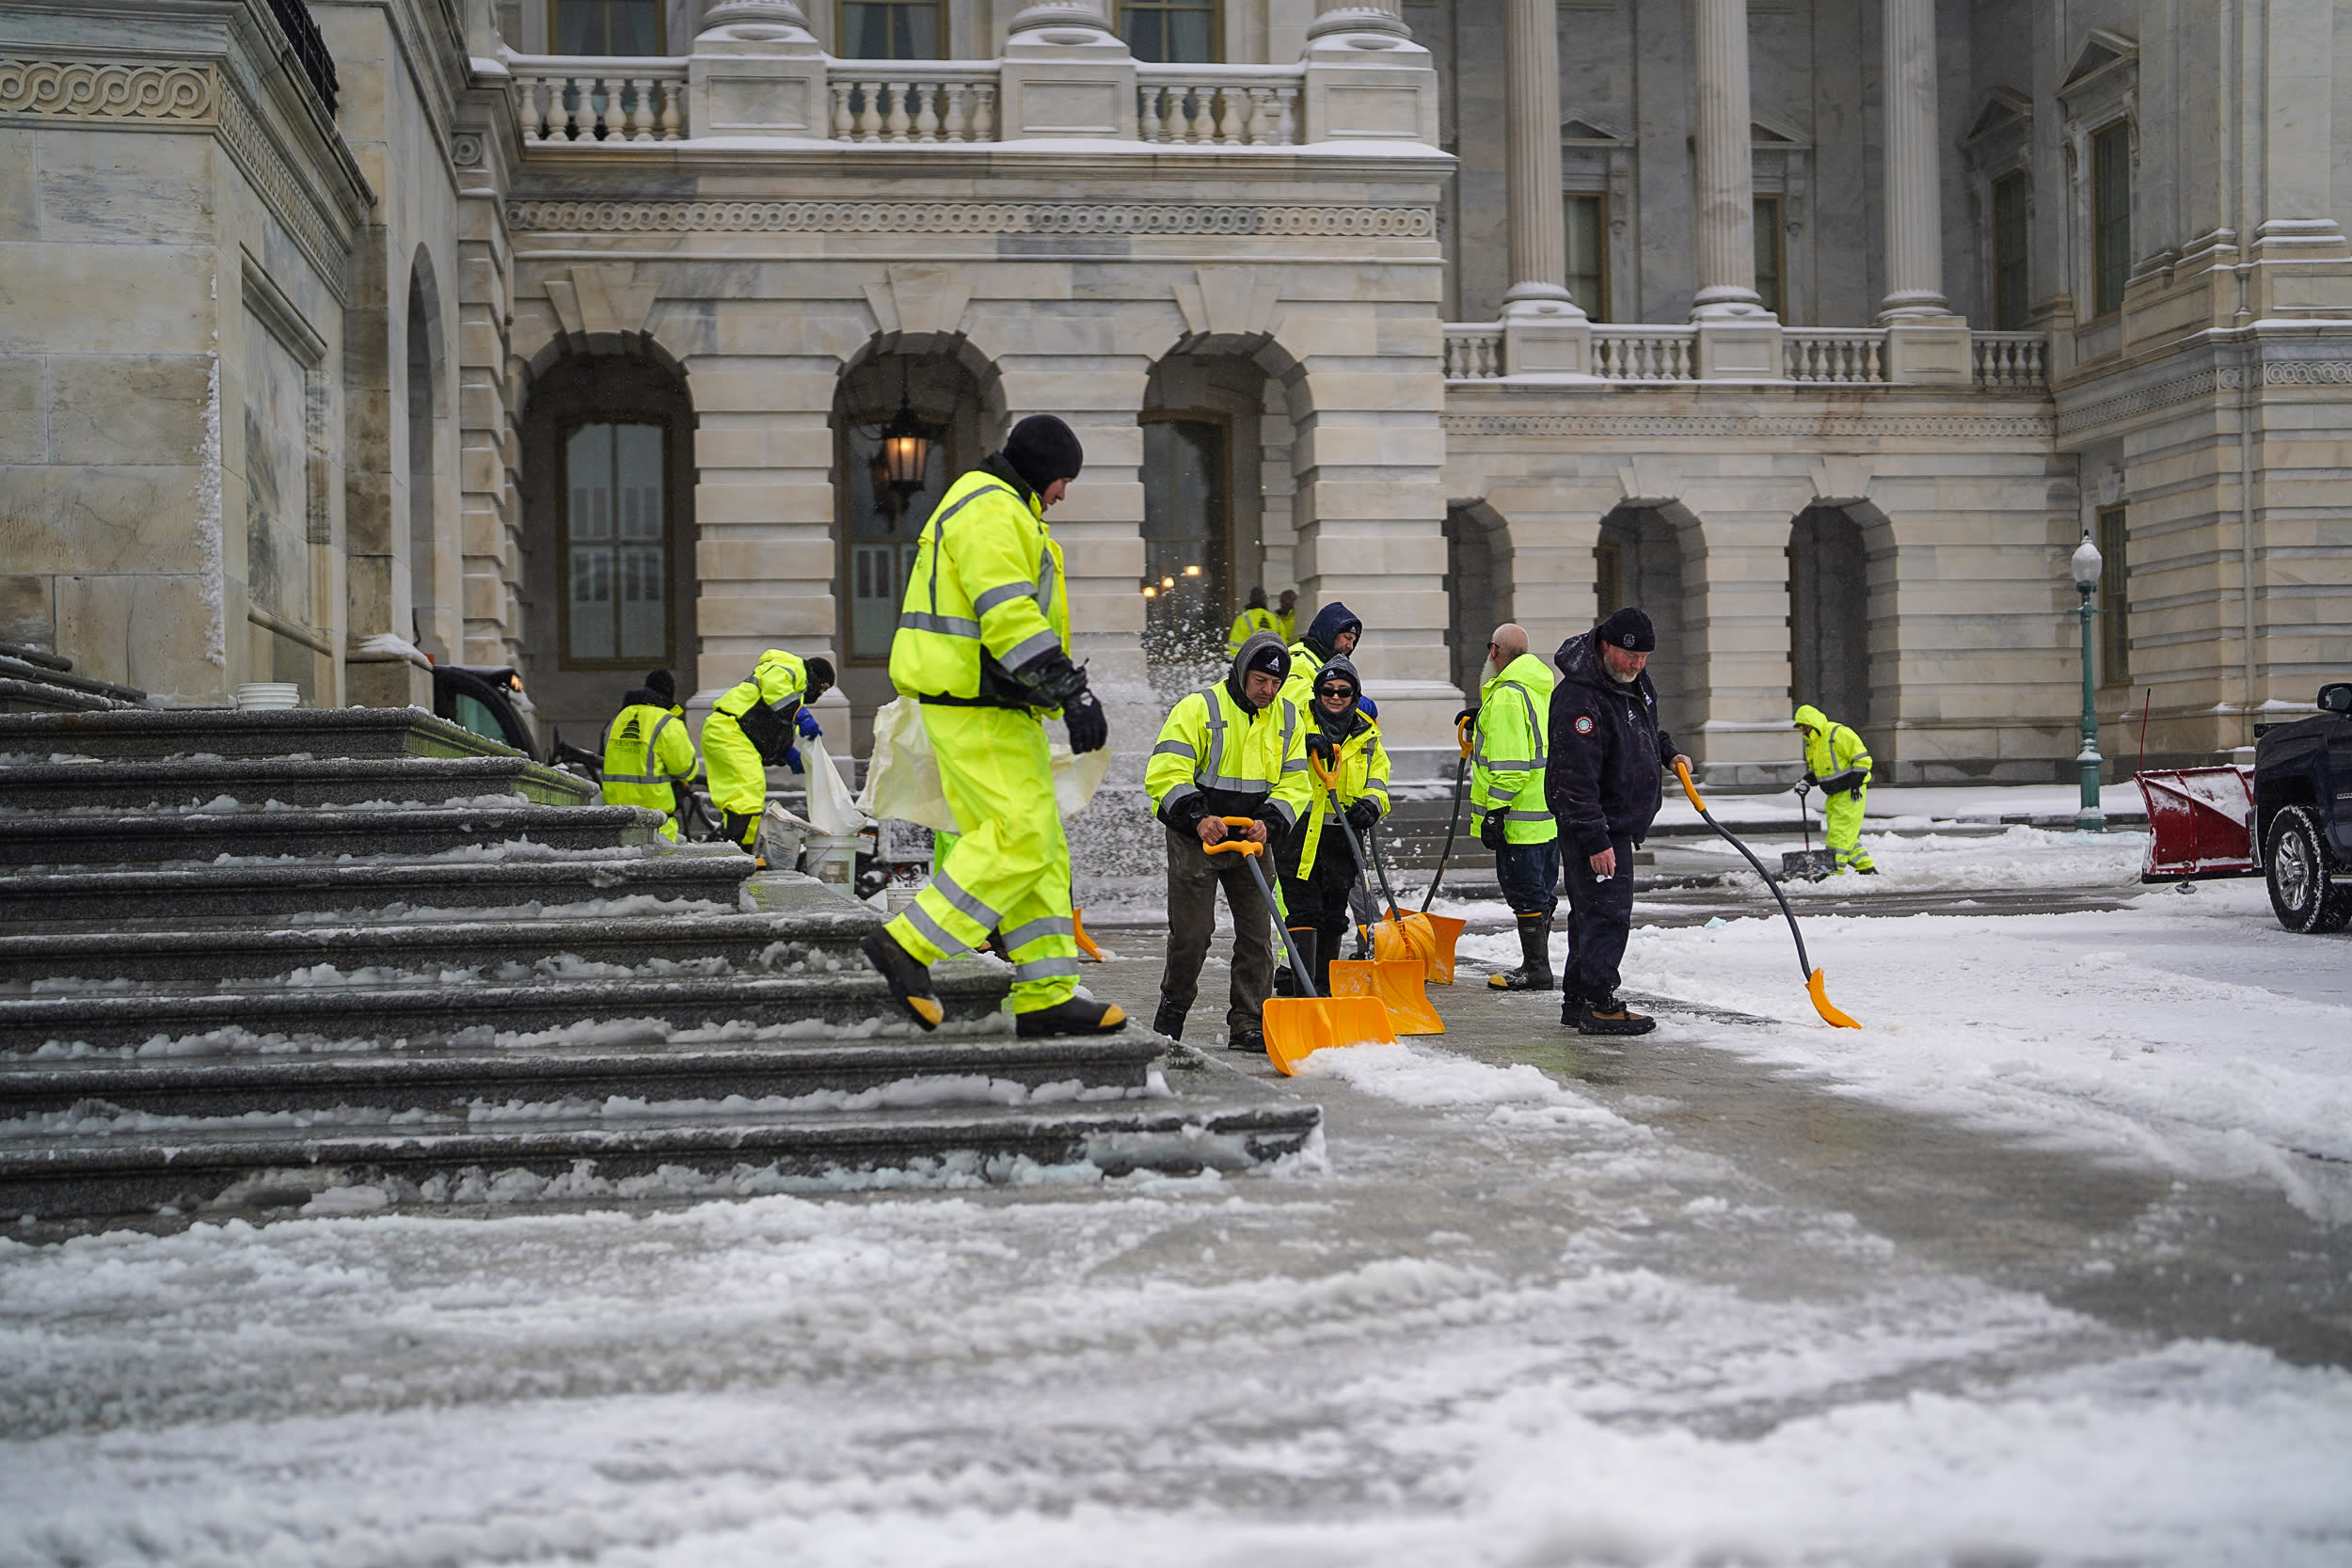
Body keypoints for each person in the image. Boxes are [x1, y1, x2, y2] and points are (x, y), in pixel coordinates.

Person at [859, 414, 1120, 1039]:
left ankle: (1046, 993)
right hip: (976, 706)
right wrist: (1071, 690)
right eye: (1063, 479)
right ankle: (908, 943)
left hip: (998, 707)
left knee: (1042, 850)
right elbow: (1006, 614)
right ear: (1042, 471)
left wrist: (1056, 694)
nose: (1063, 493)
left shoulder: (1003, 509)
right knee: (1020, 835)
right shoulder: (991, 509)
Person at [1146, 630, 1311, 1052]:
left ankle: (1249, 1022)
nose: (1267, 690)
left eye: (1275, 683)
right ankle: (1173, 1009)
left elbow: (1296, 782)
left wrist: (1271, 824)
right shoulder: (1198, 708)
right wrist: (1198, 817)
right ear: (1242, 672)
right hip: (1196, 837)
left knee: (1258, 934)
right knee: (1193, 933)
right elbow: (1166, 772)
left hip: (1253, 840)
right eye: (1260, 680)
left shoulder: (1288, 718)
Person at [1545, 607, 1692, 1036]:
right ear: (1606, 646)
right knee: (1607, 914)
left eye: (1644, 658)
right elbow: (1573, 778)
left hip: (1617, 824)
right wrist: (1595, 839)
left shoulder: (1634, 683)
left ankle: (1578, 1002)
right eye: (1630, 657)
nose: (1637, 665)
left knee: (1592, 914)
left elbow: (1646, 727)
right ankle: (1598, 1003)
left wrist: (1668, 752)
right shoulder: (1579, 697)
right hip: (1596, 826)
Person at [1276, 655, 1387, 999]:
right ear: (1317, 692)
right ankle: (1302, 988)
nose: (1335, 697)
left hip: (1343, 836)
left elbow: (1379, 777)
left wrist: (1371, 804)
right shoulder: (1295, 722)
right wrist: (1301, 745)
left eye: (1343, 691)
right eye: (1328, 690)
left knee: (1334, 912)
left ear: (1354, 695)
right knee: (1303, 910)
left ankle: (1323, 988)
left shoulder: (1366, 731)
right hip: (1301, 836)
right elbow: (1272, 760)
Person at [1465, 624, 1559, 990]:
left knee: (1524, 893)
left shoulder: (1506, 696)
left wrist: (1495, 811)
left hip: (1518, 818)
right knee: (1541, 890)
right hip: (1545, 815)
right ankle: (1537, 964)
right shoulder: (1540, 689)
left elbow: (1510, 764)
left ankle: (1536, 969)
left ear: (1494, 651)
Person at [701, 649, 834, 863]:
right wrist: (800, 714)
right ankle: (735, 852)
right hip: (729, 729)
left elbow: (766, 726)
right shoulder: (792, 667)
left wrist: (785, 753)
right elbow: (775, 689)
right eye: (823, 688)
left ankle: (740, 851)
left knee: (745, 795)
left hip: (732, 732)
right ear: (816, 677)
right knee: (747, 791)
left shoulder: (793, 690)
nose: (819, 694)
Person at [598, 668, 699, 842]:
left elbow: (603, 755)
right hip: (655, 819)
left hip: (616, 816)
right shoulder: (666, 722)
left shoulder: (618, 718)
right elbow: (684, 768)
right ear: (669, 695)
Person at [1792, 704, 1877, 874]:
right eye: (1802, 728)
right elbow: (1817, 770)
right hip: (1832, 795)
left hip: (1851, 792)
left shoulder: (1838, 733)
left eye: (1806, 726)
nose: (1805, 731)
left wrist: (1855, 783)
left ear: (1813, 722)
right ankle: (1866, 867)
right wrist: (1806, 781)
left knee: (1839, 833)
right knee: (1844, 833)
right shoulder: (1812, 743)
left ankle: (1831, 871)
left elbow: (1862, 759)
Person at [1282, 601, 1377, 718]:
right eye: (1347, 638)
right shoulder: (1297, 659)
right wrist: (1351, 702)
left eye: (1353, 641)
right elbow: (1294, 698)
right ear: (1330, 633)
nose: (1350, 646)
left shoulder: (1326, 662)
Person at [1224, 586, 1280, 658]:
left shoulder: (1243, 618)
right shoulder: (1274, 618)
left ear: (1251, 598)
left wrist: (1235, 663)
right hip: (1272, 661)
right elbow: (1283, 642)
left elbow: (1235, 644)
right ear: (1265, 599)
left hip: (1251, 661)